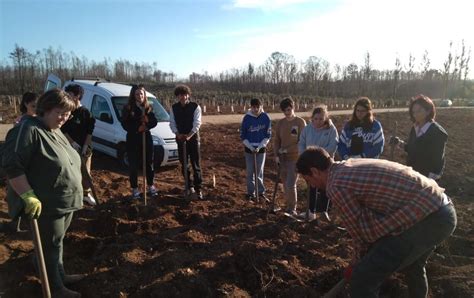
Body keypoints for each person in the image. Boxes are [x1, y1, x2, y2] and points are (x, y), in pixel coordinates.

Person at [296, 147, 457, 298]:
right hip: (440, 208)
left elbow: (360, 234)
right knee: (412, 265)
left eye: (308, 180)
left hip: (428, 218)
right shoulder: (346, 166)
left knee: (363, 278)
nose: (312, 186)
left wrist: (357, 262)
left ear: (315, 172)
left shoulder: (336, 185)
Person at [2, 89, 85, 298]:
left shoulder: (54, 130)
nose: (64, 118)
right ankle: (55, 288)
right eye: (60, 112)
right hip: (46, 203)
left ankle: (60, 275)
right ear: (46, 108)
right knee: (49, 247)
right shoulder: (28, 129)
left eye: (68, 114)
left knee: (57, 242)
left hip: (65, 201)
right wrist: (28, 195)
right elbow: (13, 165)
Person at [390, 94, 448, 180]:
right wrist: (399, 143)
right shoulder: (415, 128)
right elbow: (411, 148)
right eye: (413, 112)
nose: (415, 114)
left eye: (419, 111)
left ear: (428, 111)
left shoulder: (437, 132)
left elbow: (438, 160)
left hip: (427, 177)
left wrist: (432, 179)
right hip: (413, 174)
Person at [297, 105, 338, 221]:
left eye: (321, 119)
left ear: (325, 118)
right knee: (312, 186)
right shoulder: (307, 128)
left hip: (324, 164)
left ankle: (324, 212)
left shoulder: (331, 129)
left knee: (325, 187)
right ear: (312, 118)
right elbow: (301, 142)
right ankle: (310, 211)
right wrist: (303, 155)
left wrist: (319, 156)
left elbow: (333, 145)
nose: (318, 121)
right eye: (316, 119)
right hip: (309, 164)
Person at [61, 84, 97, 205]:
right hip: (68, 147)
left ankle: (86, 194)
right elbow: (62, 130)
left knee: (85, 173)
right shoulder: (66, 112)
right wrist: (72, 143)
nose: (67, 96)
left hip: (84, 147)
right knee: (70, 172)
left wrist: (85, 147)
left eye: (69, 94)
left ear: (77, 96)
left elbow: (89, 132)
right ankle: (72, 195)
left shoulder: (86, 114)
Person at [121, 84, 158, 199]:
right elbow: (125, 124)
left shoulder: (148, 107)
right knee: (133, 165)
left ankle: (151, 186)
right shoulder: (128, 108)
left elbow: (154, 121)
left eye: (141, 94)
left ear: (144, 95)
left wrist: (147, 123)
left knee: (149, 163)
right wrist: (138, 127)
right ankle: (135, 189)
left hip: (146, 138)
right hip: (133, 139)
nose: (139, 96)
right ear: (133, 95)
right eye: (137, 94)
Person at [169, 84, 203, 199]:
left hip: (193, 138)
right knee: (184, 164)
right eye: (180, 95)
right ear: (177, 96)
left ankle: (198, 189)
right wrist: (177, 134)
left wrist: (190, 135)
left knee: (195, 164)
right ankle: (189, 186)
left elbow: (197, 123)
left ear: (188, 95)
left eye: (184, 94)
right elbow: (172, 123)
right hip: (180, 138)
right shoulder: (174, 108)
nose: (182, 97)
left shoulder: (195, 107)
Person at [273, 97, 306, 215]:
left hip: (295, 158)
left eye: (288, 110)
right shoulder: (280, 123)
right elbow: (277, 140)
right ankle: (288, 206)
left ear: (293, 108)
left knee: (290, 184)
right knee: (285, 184)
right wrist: (276, 154)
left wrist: (286, 150)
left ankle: (293, 209)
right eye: (284, 111)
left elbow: (301, 142)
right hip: (282, 159)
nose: (286, 113)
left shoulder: (300, 122)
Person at [240, 98, 271, 201]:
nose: (256, 109)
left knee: (259, 171)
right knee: (250, 172)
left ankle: (261, 192)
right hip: (249, 149)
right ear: (251, 107)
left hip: (261, 149)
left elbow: (268, 135)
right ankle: (250, 192)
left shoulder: (265, 117)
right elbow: (243, 136)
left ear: (261, 106)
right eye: (254, 107)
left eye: (258, 107)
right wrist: (250, 147)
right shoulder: (247, 118)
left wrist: (260, 146)